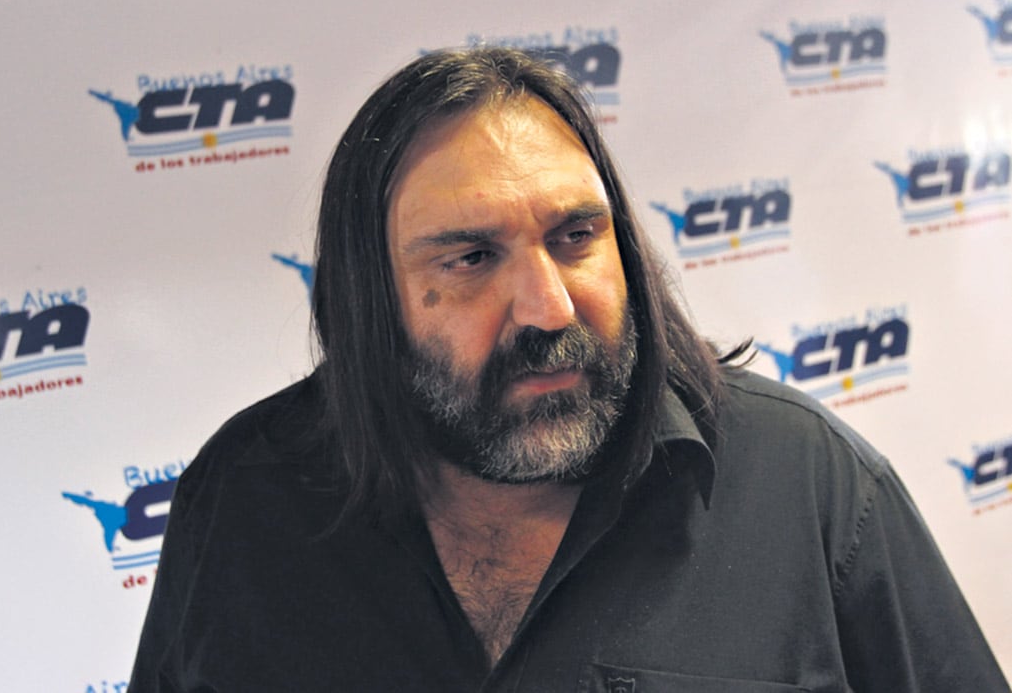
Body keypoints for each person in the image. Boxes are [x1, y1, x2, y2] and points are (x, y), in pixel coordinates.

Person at [128, 47, 1010, 692]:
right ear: (370, 300)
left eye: (575, 236)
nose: (549, 307)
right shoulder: (247, 494)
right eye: (471, 257)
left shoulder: (811, 486)